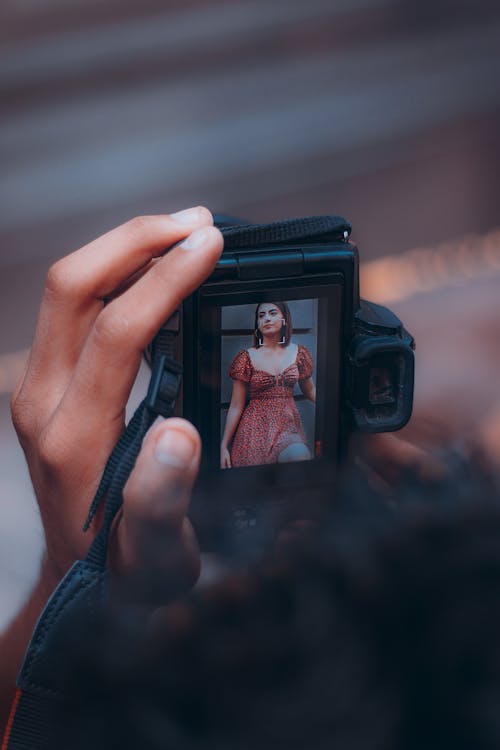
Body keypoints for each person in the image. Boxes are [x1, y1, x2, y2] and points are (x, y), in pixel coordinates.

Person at [220, 301, 316, 469]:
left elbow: (311, 391)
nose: (267, 319)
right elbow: (236, 406)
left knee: (299, 456)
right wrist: (223, 446)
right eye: (261, 315)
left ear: (284, 319)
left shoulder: (299, 354)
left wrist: (336, 404)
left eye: (272, 313)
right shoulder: (246, 358)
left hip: (288, 427)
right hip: (255, 430)